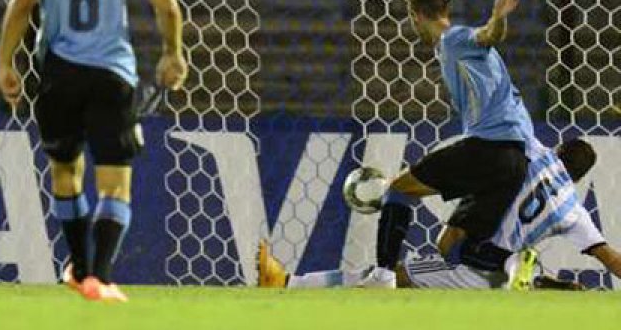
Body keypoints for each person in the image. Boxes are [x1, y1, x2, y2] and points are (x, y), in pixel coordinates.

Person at [0, 0, 187, 302]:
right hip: (112, 72)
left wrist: (5, 63)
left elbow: (22, 6)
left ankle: (79, 269)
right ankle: (99, 277)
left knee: (65, 173)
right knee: (115, 182)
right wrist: (173, 53)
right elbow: (167, 6)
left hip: (58, 71)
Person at [260, 139, 621, 290]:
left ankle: (288, 283)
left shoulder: (535, 153)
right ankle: (537, 281)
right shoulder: (574, 210)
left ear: (559, 150)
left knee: (384, 280)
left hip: (472, 267)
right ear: (579, 177)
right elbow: (610, 258)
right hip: (490, 264)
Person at [359, 0, 534, 287]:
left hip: (488, 148)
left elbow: (488, 35)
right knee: (467, 249)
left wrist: (498, 16)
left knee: (398, 188)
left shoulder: (453, 39)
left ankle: (383, 275)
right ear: (444, 9)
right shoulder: (455, 49)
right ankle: (516, 262)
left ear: (415, 16)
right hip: (516, 159)